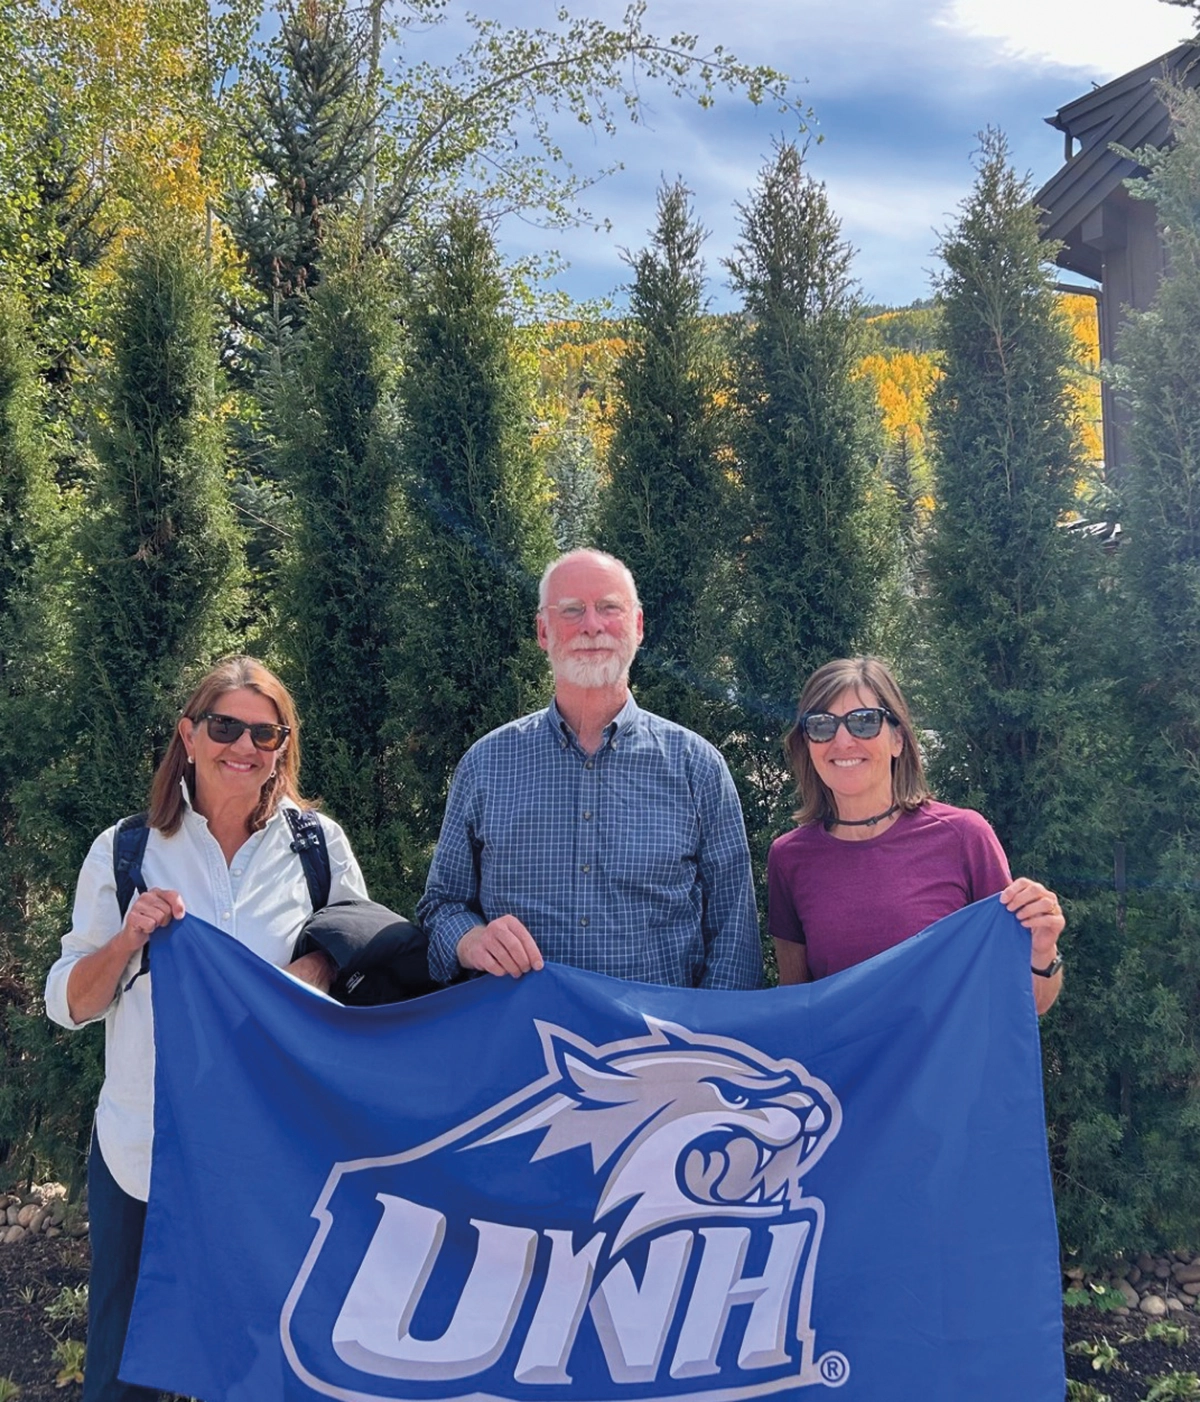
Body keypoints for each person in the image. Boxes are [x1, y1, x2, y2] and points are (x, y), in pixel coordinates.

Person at [45, 657, 367, 1402]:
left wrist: (311, 973)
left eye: (265, 732)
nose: (244, 746)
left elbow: (357, 953)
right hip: (145, 1155)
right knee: (125, 1378)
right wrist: (127, 941)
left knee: (274, 1371)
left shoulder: (318, 848)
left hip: (277, 1157)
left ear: (282, 747)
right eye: (225, 726)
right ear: (189, 736)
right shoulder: (127, 851)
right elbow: (67, 1002)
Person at [418, 548, 762, 990]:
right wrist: (470, 939)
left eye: (609, 608)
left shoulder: (697, 767)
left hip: (655, 1048)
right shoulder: (486, 765)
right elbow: (440, 905)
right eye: (572, 611)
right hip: (523, 1045)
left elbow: (735, 937)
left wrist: (701, 1050)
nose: (592, 626)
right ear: (543, 631)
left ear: (637, 626)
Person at [768, 656, 1064, 1015]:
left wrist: (1042, 951)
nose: (842, 740)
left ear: (898, 739)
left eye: (864, 722)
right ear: (807, 744)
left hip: (947, 1071)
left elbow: (1030, 1004)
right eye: (821, 725)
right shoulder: (789, 858)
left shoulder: (963, 837)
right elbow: (794, 1007)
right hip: (843, 1074)